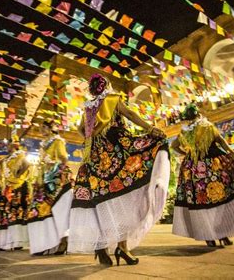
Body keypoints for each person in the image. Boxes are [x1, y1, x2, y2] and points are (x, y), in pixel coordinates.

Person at [68, 73, 170, 266]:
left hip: (95, 157)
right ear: (106, 85)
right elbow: (130, 115)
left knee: (103, 200)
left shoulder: (89, 108)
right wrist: (150, 129)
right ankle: (122, 248)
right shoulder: (112, 99)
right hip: (116, 150)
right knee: (122, 196)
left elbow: (81, 129)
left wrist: (89, 140)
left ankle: (103, 248)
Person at [171, 104, 234, 247]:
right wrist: (231, 153)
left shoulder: (184, 132)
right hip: (213, 166)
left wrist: (187, 154)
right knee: (221, 201)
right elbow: (220, 141)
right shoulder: (207, 126)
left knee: (200, 204)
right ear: (198, 115)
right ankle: (223, 235)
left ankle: (209, 237)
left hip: (193, 170)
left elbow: (173, 146)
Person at [27, 119, 73, 255]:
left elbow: (64, 159)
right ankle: (45, 243)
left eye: (44, 127)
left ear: (51, 128)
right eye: (41, 127)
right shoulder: (43, 145)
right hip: (42, 181)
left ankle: (63, 242)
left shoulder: (58, 142)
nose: (41, 129)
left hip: (56, 181)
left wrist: (51, 162)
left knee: (59, 212)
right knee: (42, 212)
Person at [0, 137, 31, 251]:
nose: (7, 146)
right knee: (6, 213)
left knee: (16, 213)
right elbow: (0, 173)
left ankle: (17, 241)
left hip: (18, 187)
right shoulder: (3, 160)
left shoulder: (20, 155)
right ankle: (6, 242)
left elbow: (27, 165)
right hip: (7, 188)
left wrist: (19, 174)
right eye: (7, 144)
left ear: (14, 145)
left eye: (9, 144)